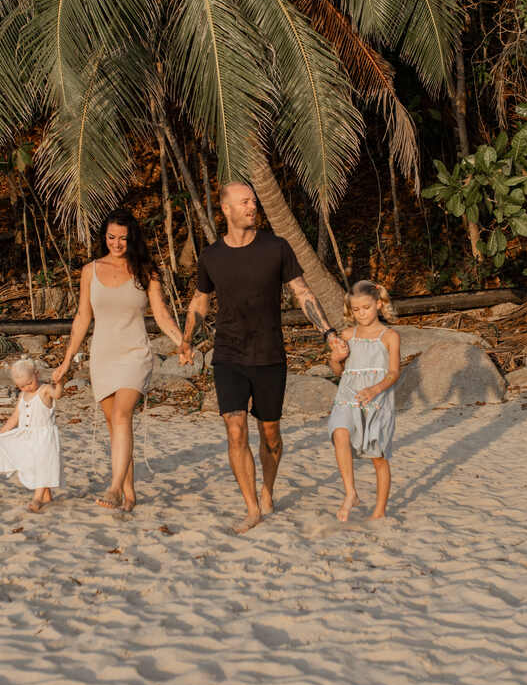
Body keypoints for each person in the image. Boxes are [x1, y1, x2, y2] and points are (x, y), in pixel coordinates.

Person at [180, 181, 349, 534]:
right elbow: (199, 300)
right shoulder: (211, 256)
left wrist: (329, 333)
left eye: (253, 201)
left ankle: (267, 490)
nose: (252, 206)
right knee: (235, 428)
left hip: (269, 354)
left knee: (270, 434)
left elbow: (302, 292)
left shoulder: (277, 247)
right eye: (244, 202)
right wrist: (186, 339)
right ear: (225, 209)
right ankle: (252, 506)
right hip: (228, 354)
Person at [52, 208, 184, 512]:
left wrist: (182, 342)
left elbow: (161, 314)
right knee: (115, 426)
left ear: (131, 239)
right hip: (103, 355)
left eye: (123, 238)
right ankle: (130, 494)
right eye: (112, 237)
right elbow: (83, 318)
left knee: (123, 417)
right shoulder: (90, 271)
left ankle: (113, 488)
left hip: (135, 354)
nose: (117, 243)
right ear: (105, 237)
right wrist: (67, 360)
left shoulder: (145, 271)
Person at [327, 280, 400, 522]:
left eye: (366, 308)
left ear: (378, 304)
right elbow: (338, 371)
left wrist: (374, 389)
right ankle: (350, 493)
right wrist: (336, 359)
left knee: (378, 457)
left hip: (377, 398)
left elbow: (394, 373)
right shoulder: (348, 335)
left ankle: (379, 511)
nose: (361, 314)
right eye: (356, 310)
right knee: (339, 432)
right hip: (348, 396)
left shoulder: (390, 336)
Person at [0, 357, 64, 512]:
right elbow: (15, 417)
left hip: (44, 437)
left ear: (37, 374)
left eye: (29, 383)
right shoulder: (22, 395)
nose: (26, 387)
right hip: (28, 437)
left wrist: (59, 382)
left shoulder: (45, 390)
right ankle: (46, 495)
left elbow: (58, 394)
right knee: (33, 465)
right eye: (21, 386)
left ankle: (37, 498)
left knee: (42, 465)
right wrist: (3, 430)